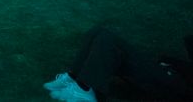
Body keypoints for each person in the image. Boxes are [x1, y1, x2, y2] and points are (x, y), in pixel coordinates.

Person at [43, 26, 192, 101]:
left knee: (108, 41)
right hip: (173, 73)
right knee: (98, 31)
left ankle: (83, 90)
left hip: (179, 85)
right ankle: (73, 77)